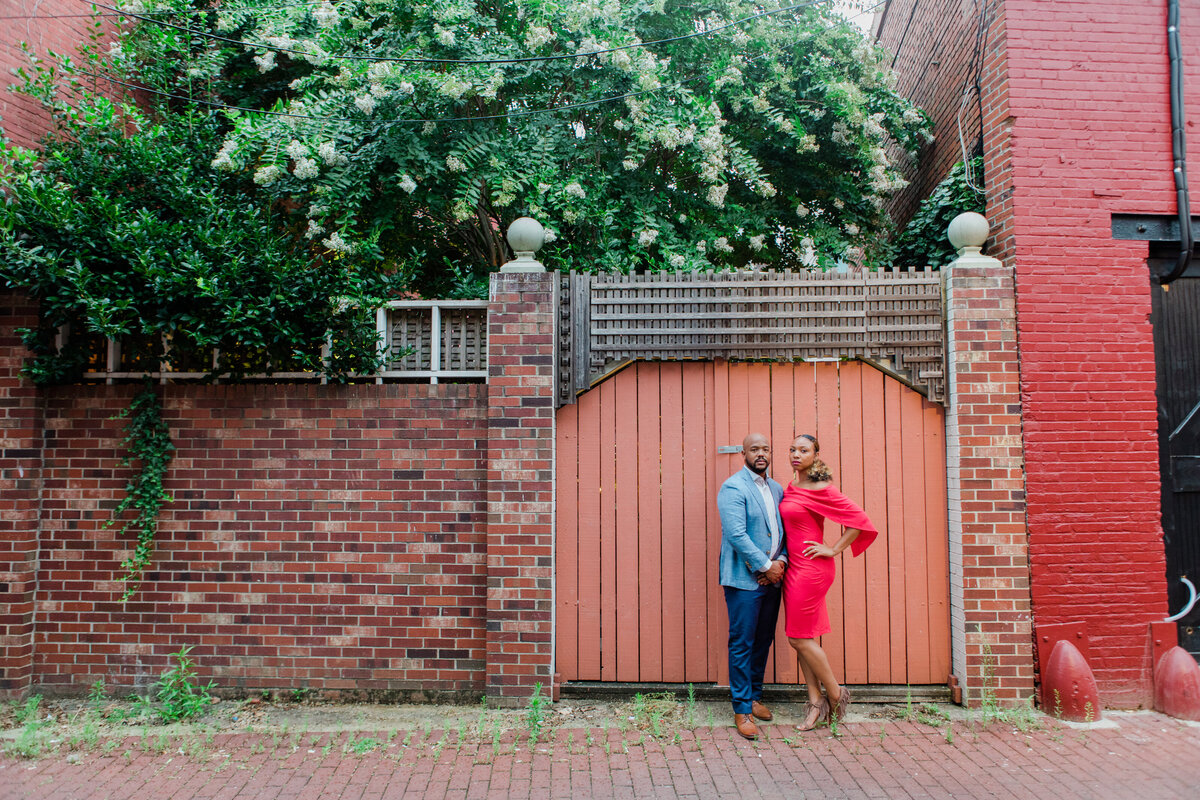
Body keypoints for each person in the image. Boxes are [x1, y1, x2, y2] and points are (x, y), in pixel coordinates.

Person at [779, 433, 879, 732]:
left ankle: (836, 693)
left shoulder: (823, 488)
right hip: (793, 568)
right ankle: (814, 703)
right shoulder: (794, 484)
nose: (796, 454)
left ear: (815, 454)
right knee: (804, 637)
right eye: (792, 449)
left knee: (797, 638)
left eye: (803, 450)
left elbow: (860, 521)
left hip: (812, 570)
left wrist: (833, 548)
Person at [717, 432, 788, 740]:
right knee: (742, 643)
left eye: (766, 449)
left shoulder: (776, 488)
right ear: (743, 453)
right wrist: (765, 566)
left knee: (763, 639)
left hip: (773, 578)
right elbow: (736, 534)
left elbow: (782, 532)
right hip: (743, 581)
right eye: (755, 449)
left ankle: (755, 695)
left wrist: (780, 562)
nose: (761, 453)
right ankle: (742, 708)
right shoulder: (733, 487)